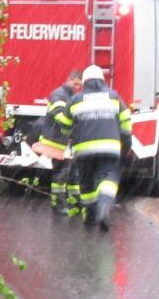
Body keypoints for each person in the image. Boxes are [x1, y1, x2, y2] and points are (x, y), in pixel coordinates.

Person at [67, 63, 132, 231]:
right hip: (109, 148)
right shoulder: (114, 97)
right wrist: (126, 145)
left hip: (84, 151)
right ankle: (104, 209)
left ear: (84, 82)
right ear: (103, 81)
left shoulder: (75, 100)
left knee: (87, 183)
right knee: (109, 178)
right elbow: (126, 122)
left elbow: (65, 125)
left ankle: (90, 216)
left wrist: (70, 136)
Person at [39, 68, 83, 218]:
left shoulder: (70, 96)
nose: (77, 87)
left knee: (73, 173)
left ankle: (75, 201)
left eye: (79, 85)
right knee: (61, 174)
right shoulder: (59, 95)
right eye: (76, 83)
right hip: (55, 141)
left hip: (64, 141)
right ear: (69, 79)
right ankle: (57, 205)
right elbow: (61, 118)